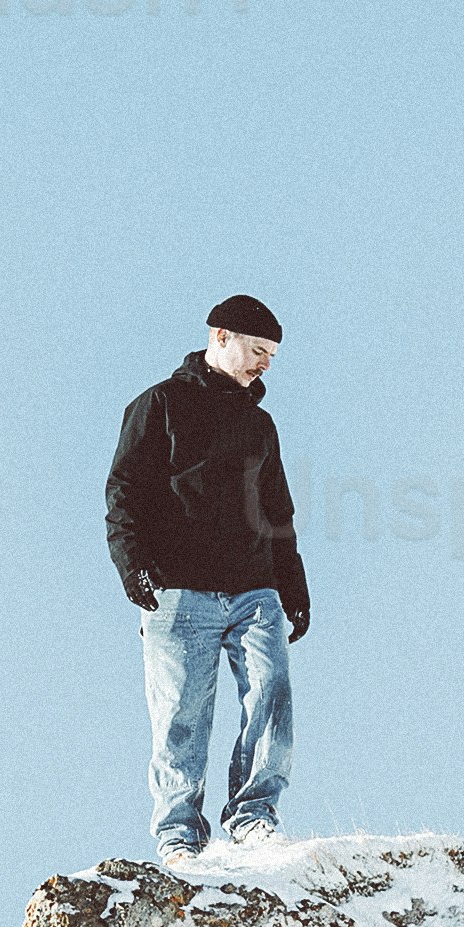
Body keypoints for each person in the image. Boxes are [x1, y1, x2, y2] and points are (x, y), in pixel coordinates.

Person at [105, 294, 307, 860]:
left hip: (254, 589)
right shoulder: (159, 405)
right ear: (220, 337)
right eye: (257, 349)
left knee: (271, 694)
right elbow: (123, 492)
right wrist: (133, 566)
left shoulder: (260, 425)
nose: (265, 363)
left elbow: (278, 512)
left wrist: (294, 586)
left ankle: (253, 815)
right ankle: (179, 835)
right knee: (180, 715)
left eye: (272, 354)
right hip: (177, 589)